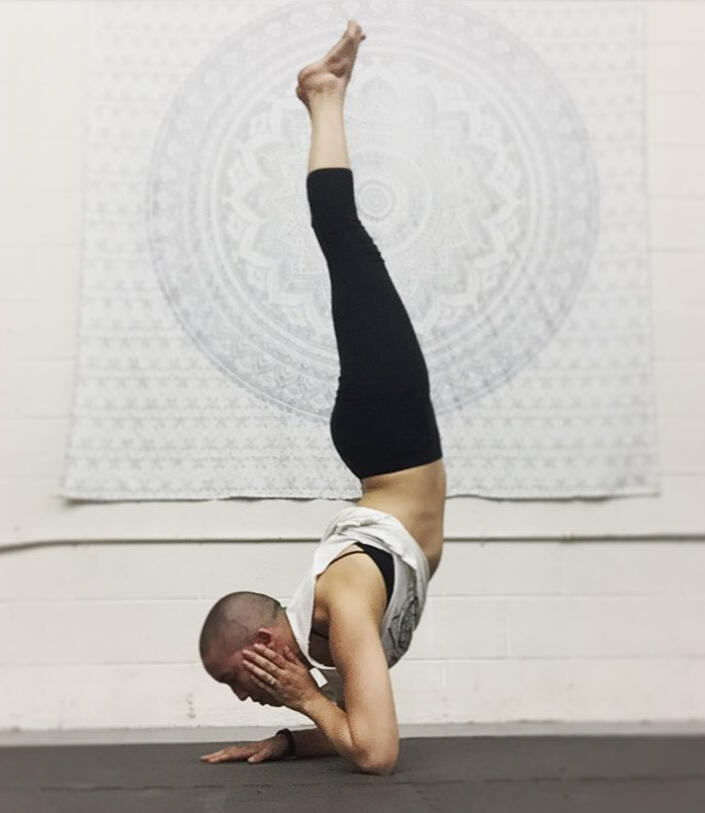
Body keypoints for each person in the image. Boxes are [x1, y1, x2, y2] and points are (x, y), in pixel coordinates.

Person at [199, 19, 446, 776]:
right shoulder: (327, 636)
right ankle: (324, 95)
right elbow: (359, 725)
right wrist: (284, 737)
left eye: (235, 678)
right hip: (381, 448)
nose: (242, 698)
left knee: (346, 239)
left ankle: (322, 94)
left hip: (389, 440)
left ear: (264, 648)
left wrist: (304, 700)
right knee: (347, 244)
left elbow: (374, 754)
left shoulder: (341, 606)